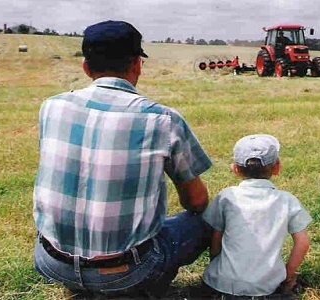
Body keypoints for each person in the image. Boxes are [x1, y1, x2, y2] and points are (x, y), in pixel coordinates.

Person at [33, 20, 212, 298]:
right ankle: (147, 289)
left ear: (86, 67)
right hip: (125, 271)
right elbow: (197, 201)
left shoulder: (51, 107)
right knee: (204, 222)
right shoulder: (163, 120)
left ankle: (79, 285)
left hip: (52, 261)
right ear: (137, 65)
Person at [201, 134, 312, 297]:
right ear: (278, 167)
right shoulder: (287, 200)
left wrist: (217, 265)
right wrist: (288, 273)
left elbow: (216, 237)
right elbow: (303, 242)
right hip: (266, 286)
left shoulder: (226, 197)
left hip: (219, 283)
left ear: (236, 169)